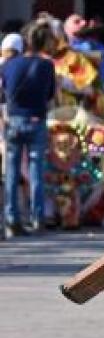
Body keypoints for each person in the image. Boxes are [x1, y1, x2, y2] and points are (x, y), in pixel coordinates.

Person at [1, 20, 56, 236]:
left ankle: (11, 218)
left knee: (12, 172)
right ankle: (37, 218)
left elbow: (3, 92)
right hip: (37, 119)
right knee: (36, 171)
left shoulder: (8, 64)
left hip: (14, 120)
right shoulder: (47, 65)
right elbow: (50, 94)